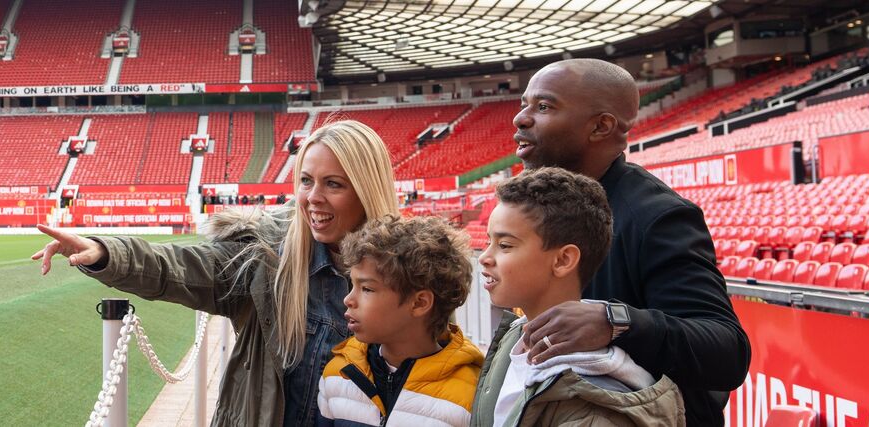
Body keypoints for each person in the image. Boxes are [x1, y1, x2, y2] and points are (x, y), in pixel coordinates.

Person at [32, 120, 402, 426]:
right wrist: (105, 253)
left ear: (366, 189)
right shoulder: (268, 259)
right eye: (306, 181)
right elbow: (179, 267)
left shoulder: (408, 276)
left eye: (333, 184)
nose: (312, 197)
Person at [510, 58, 749, 426]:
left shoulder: (658, 216)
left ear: (601, 126)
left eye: (543, 106)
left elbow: (727, 351)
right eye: (524, 104)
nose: (521, 119)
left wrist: (615, 320)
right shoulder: (549, 209)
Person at [469, 167, 683, 425]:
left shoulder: (595, 410)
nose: (484, 257)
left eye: (504, 245)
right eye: (489, 241)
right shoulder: (515, 337)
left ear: (563, 260)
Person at [315, 216, 482, 426]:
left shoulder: (471, 396)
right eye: (353, 285)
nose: (348, 299)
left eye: (366, 289)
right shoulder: (336, 375)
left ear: (420, 303)